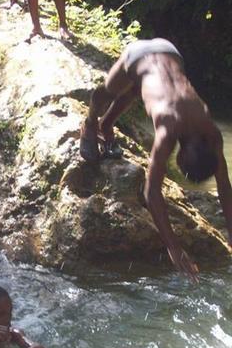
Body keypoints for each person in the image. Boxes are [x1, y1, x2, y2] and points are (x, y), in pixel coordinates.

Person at [79, 38, 232, 279]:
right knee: (107, 92)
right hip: (138, 56)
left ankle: (106, 125)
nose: (177, 166)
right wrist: (173, 246)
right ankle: (90, 124)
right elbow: (152, 193)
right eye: (181, 166)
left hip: (170, 49)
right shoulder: (167, 133)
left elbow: (224, 185)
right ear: (181, 153)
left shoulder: (209, 130)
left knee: (137, 86)